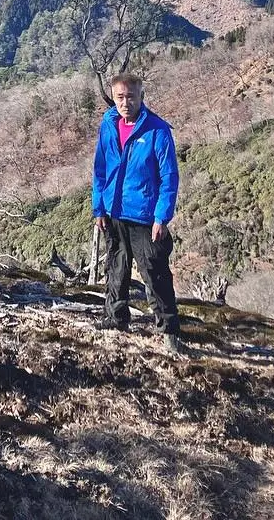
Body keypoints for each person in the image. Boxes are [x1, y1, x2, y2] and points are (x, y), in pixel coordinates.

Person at [91, 71, 183, 353]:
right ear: (114, 98)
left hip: (144, 216)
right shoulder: (108, 126)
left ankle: (168, 331)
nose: (125, 102)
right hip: (114, 211)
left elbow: (169, 177)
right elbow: (100, 170)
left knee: (155, 274)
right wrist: (99, 208)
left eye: (131, 96)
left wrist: (161, 217)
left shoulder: (157, 130)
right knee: (116, 269)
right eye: (119, 97)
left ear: (141, 96)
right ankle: (115, 319)